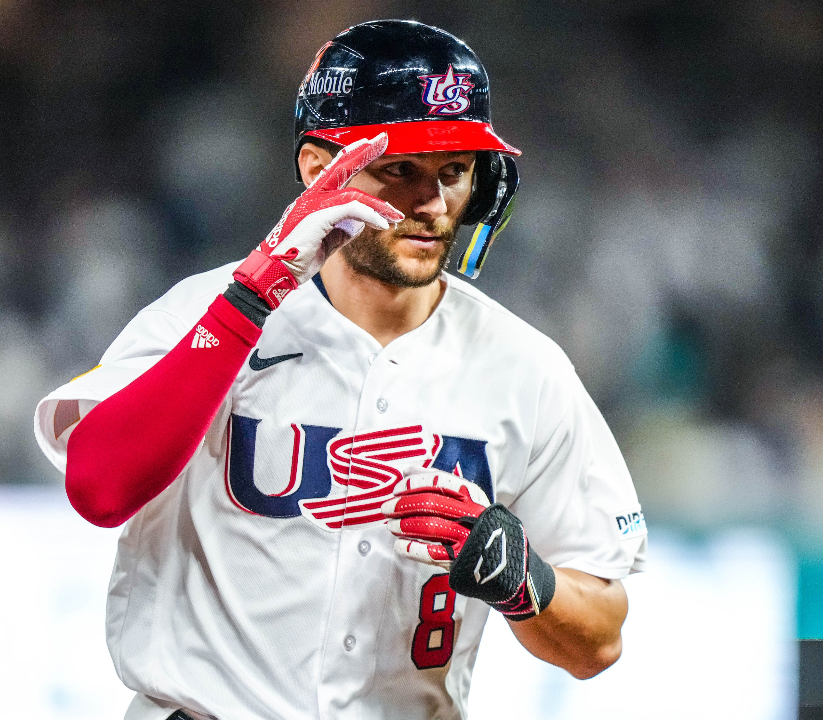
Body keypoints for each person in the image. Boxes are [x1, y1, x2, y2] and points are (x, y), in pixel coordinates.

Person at [33, 19, 647, 720]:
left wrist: (523, 580)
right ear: (316, 168)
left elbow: (599, 639)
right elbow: (97, 487)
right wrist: (248, 301)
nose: (433, 204)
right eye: (400, 171)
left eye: (454, 174)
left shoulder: (524, 367)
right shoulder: (204, 312)